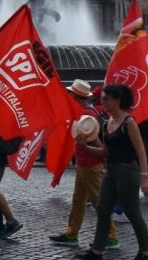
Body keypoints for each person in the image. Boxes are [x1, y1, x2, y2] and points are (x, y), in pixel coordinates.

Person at [75, 84, 148, 260]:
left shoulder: (129, 122)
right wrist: (86, 147)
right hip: (111, 171)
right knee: (103, 209)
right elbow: (105, 151)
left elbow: (141, 151)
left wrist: (145, 178)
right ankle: (97, 251)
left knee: (132, 211)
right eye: (102, 99)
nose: (103, 102)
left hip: (128, 171)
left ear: (117, 100)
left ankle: (146, 253)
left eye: (106, 99)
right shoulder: (107, 122)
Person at [50, 79, 117, 248]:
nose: (68, 95)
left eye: (70, 93)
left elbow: (95, 142)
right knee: (78, 199)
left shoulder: (87, 114)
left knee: (98, 202)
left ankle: (110, 236)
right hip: (85, 163)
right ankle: (72, 233)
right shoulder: (86, 111)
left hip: (91, 164)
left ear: (75, 96)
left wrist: (101, 156)